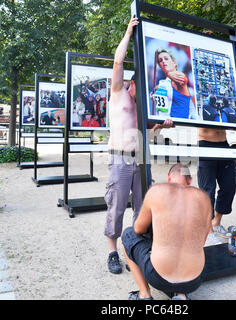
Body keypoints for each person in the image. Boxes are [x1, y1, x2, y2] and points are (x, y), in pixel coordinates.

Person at [105, 15, 174, 275]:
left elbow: (149, 138)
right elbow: (118, 60)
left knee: (143, 206)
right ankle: (113, 252)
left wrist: (159, 127)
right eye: (142, 88)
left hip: (141, 158)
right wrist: (128, 31)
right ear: (133, 84)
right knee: (117, 206)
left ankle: (137, 247)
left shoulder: (143, 107)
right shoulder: (119, 93)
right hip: (119, 158)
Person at [121, 163, 211, 300]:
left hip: (158, 277)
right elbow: (202, 241)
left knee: (128, 235)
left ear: (169, 178)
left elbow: (138, 229)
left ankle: (144, 294)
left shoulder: (157, 191)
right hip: (195, 280)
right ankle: (181, 295)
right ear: (190, 180)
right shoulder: (204, 198)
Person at [197, 127, 236, 244]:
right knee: (208, 191)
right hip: (205, 144)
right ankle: (208, 231)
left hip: (224, 144)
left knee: (229, 187)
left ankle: (216, 223)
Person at [151, 48, 198, 119]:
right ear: (160, 66)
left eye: (166, 59)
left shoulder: (181, 77)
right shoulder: (161, 84)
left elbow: (180, 79)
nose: (163, 61)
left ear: (174, 62)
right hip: (163, 126)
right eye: (160, 60)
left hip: (179, 126)